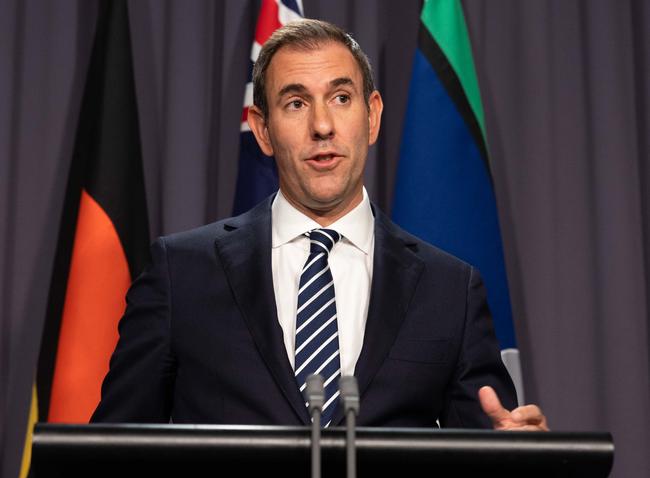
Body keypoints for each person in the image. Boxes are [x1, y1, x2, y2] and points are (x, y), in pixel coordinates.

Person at [92, 19, 547, 431]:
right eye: (295, 103)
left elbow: (489, 452)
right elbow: (110, 454)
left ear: (372, 116)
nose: (322, 125)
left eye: (341, 98)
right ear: (263, 130)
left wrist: (524, 465)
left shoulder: (449, 289)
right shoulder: (183, 273)